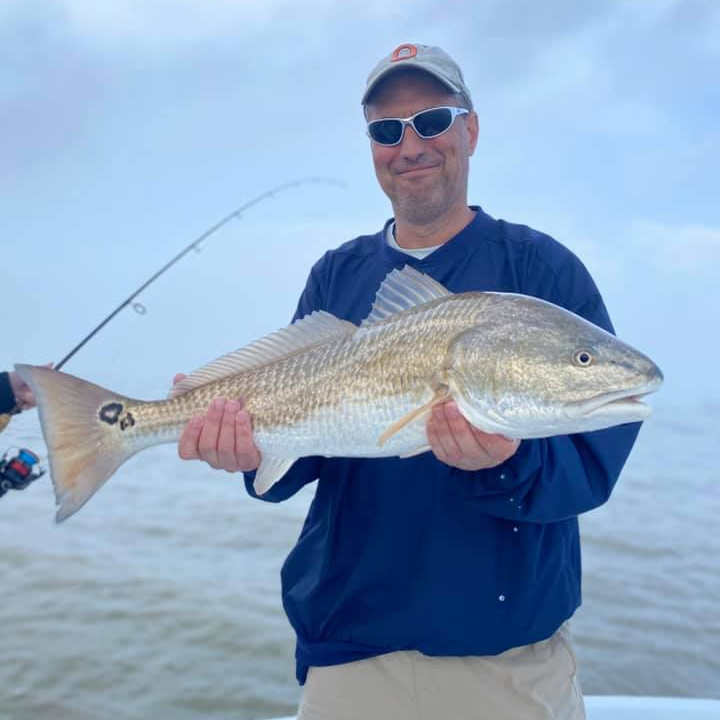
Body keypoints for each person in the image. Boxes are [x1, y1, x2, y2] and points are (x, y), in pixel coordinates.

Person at [178, 43, 641, 720]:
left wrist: (506, 464)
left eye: (431, 121)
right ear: (372, 146)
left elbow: (594, 462)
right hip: (350, 657)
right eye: (386, 130)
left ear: (470, 130)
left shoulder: (542, 271)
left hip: (507, 666)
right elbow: (307, 450)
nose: (409, 145)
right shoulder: (336, 274)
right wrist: (247, 452)